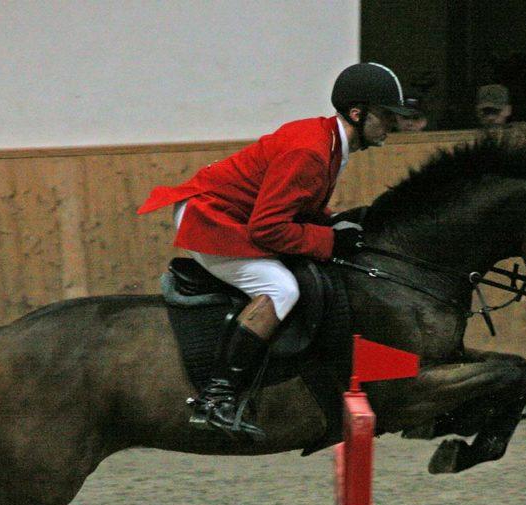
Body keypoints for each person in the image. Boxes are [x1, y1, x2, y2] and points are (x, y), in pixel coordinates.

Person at [137, 63, 414, 440]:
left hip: (232, 212)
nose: (392, 125)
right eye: (386, 115)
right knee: (281, 289)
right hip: (211, 220)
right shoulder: (312, 151)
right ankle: (217, 397)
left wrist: (334, 223)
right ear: (357, 113)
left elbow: (296, 205)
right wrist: (329, 241)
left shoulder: (329, 142)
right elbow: (267, 228)